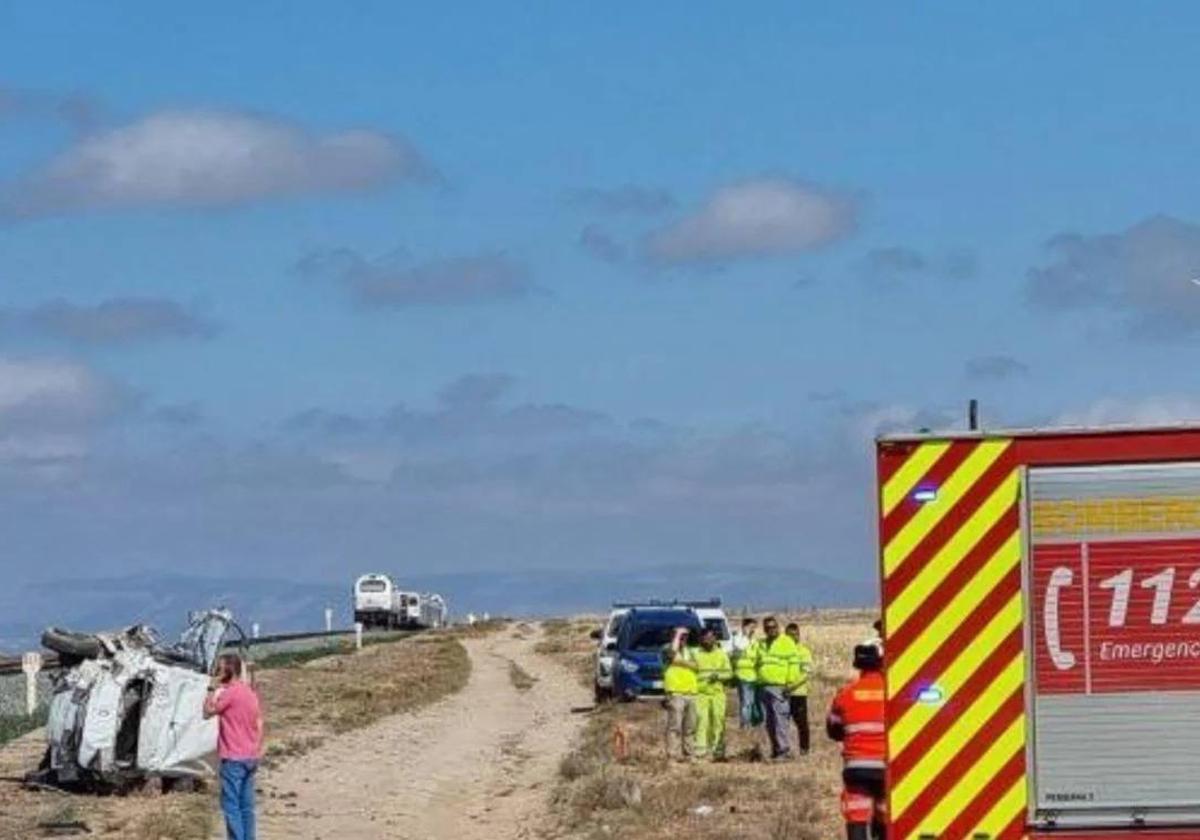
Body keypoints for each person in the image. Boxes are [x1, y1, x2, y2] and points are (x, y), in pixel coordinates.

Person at [827, 642, 887, 840]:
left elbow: (833, 730)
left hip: (856, 768)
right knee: (886, 815)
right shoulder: (892, 692)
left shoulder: (845, 694)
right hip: (888, 768)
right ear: (880, 663)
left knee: (857, 817)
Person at [203, 653, 264, 840]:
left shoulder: (230, 694)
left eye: (220, 669)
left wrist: (211, 688)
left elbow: (207, 712)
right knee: (247, 806)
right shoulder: (249, 692)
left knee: (231, 806)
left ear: (228, 670)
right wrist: (257, 747)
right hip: (251, 756)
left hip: (233, 757)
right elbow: (259, 722)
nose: (218, 672)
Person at [754, 615, 801, 761]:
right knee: (769, 721)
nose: (771, 630)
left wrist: (790, 684)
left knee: (781, 720)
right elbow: (755, 662)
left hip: (780, 687)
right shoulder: (760, 644)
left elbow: (794, 664)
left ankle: (784, 751)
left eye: (773, 627)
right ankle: (775, 749)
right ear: (764, 630)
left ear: (778, 628)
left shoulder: (786, 643)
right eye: (768, 628)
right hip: (763, 687)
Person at [692, 627, 733, 760]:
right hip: (701, 694)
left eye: (711, 638)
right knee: (701, 721)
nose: (709, 640)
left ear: (715, 638)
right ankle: (700, 750)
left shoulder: (722, 654)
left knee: (718, 721)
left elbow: (729, 673)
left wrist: (718, 676)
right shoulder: (696, 654)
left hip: (717, 694)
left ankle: (718, 752)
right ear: (701, 639)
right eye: (706, 638)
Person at [661, 626, 699, 761]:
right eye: (681, 636)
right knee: (674, 726)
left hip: (691, 691)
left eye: (685, 636)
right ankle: (672, 755)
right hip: (676, 692)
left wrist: (682, 662)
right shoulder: (666, 649)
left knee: (690, 726)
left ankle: (689, 753)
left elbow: (697, 666)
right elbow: (671, 656)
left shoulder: (690, 651)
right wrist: (677, 635)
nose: (683, 639)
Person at [784, 622, 815, 754]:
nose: (794, 637)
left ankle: (804, 748)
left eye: (796, 634)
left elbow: (806, 673)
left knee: (801, 723)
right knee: (783, 723)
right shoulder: (782, 651)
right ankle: (784, 748)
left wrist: (792, 686)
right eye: (791, 635)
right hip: (783, 692)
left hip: (798, 692)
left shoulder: (804, 652)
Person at [730, 617, 761, 729]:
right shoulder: (737, 638)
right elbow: (740, 647)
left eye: (754, 628)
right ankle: (745, 724)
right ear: (744, 627)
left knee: (752, 702)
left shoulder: (753, 640)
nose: (753, 630)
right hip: (742, 675)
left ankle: (751, 723)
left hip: (753, 676)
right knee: (746, 702)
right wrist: (746, 636)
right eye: (751, 627)